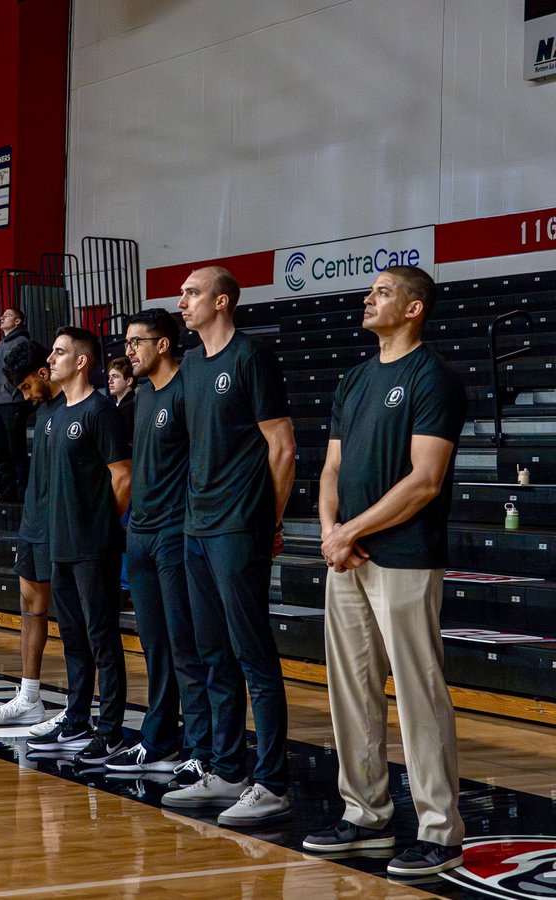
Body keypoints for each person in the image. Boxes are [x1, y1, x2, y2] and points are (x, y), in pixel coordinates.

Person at [303, 267, 466, 876]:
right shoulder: (354, 377)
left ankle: (440, 830)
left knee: (419, 694)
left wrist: (350, 531)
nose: (369, 299)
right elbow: (331, 471)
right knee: (351, 691)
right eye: (370, 291)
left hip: (405, 556)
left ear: (415, 307)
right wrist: (329, 532)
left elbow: (425, 481)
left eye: (383, 291)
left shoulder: (435, 376)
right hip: (345, 557)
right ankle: (364, 814)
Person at [162, 266, 296, 826]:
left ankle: (272, 781)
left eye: (192, 293)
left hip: (240, 527)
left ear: (222, 302)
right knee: (211, 654)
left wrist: (270, 521)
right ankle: (228, 769)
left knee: (252, 656)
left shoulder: (251, 356)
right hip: (196, 527)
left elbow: (282, 447)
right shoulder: (190, 365)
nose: (182, 301)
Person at [105, 310, 216, 782]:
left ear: (165, 344)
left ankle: (200, 747)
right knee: (153, 644)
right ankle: (159, 738)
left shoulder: (187, 392)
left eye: (137, 342)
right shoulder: (144, 395)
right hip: (141, 533)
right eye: (127, 343)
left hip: (175, 532)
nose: (129, 350)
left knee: (184, 645)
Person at [25, 327, 131, 766]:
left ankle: (111, 732)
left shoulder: (101, 410)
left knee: (102, 637)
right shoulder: (49, 415)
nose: (51, 358)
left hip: (93, 544)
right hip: (59, 543)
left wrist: (101, 526)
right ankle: (77, 717)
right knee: (71, 637)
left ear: (82, 361)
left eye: (59, 352)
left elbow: (122, 477)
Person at [0, 340, 61, 727]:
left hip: (65, 529)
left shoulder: (81, 408)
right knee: (29, 605)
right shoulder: (43, 411)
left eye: (26, 387)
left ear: (42, 373)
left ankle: (79, 710)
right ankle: (28, 696)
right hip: (34, 522)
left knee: (77, 619)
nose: (25, 397)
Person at [0, 307, 31, 501]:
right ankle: (8, 493)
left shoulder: (21, 342)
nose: (2, 317)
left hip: (13, 403)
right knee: (2, 453)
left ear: (18, 321)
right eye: (2, 315)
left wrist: (12, 390)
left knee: (16, 452)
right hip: (0, 402)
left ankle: (20, 494)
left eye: (8, 315)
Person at [106, 356, 136, 445]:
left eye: (115, 376)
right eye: (109, 377)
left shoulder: (133, 406)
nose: (109, 381)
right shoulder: (113, 405)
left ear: (129, 381)